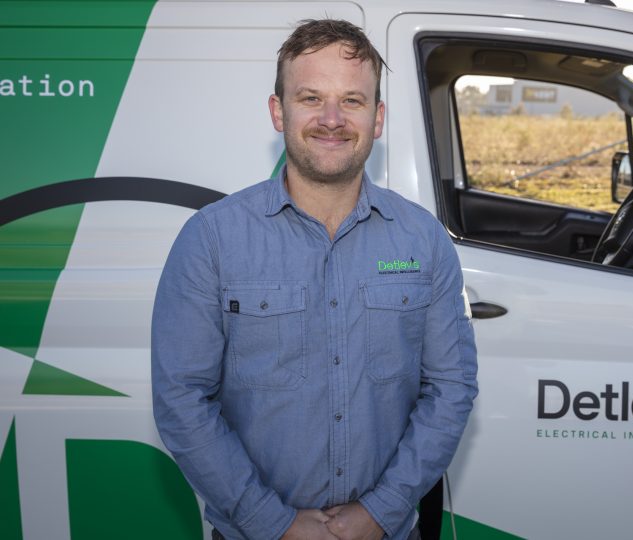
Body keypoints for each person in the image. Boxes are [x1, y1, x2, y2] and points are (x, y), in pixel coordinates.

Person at [151, 18, 478, 540]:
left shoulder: (423, 240)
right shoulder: (211, 239)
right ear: (278, 111)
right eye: (310, 98)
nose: (332, 119)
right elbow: (181, 399)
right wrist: (271, 522)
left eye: (352, 100)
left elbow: (451, 387)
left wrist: (382, 510)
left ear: (378, 117)